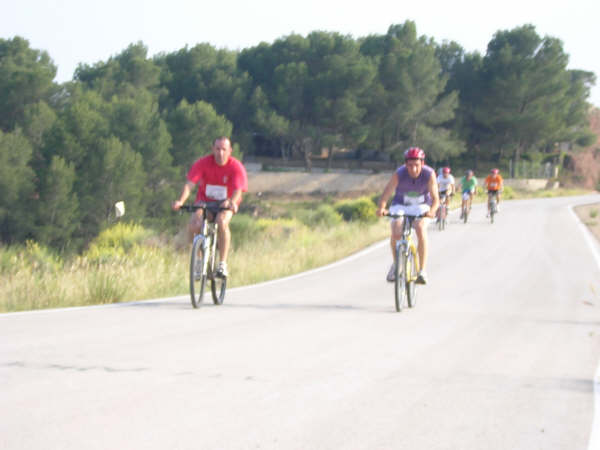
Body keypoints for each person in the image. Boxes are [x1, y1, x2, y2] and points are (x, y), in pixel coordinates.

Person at [172, 137, 248, 278]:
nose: (220, 153)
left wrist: (232, 201)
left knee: (222, 222)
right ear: (212, 149)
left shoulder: (236, 167)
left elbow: (239, 189)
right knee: (195, 224)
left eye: (224, 149)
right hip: (205, 201)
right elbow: (190, 184)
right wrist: (180, 201)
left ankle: (222, 264)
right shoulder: (203, 163)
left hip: (226, 203)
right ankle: (199, 261)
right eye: (217, 149)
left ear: (230, 151)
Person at [376, 147, 439, 285]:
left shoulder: (429, 174)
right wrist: (381, 208)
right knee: (396, 231)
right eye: (410, 165)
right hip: (401, 204)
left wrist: (432, 211)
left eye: (416, 165)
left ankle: (422, 270)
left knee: (420, 227)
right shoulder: (399, 173)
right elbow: (386, 194)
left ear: (422, 163)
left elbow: (436, 199)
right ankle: (396, 264)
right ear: (405, 164)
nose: (413, 169)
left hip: (422, 205)